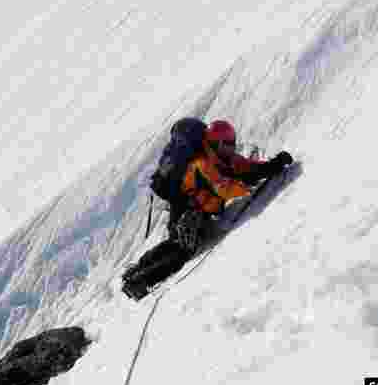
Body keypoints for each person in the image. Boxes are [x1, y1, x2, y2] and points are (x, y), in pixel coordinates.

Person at [121, 119, 293, 300]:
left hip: (195, 209)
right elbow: (224, 188)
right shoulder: (202, 164)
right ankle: (141, 281)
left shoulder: (223, 158)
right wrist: (246, 187)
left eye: (231, 144)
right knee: (182, 252)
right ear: (214, 144)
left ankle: (137, 270)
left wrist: (274, 164)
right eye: (225, 145)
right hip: (187, 210)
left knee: (175, 243)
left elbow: (247, 167)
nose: (229, 149)